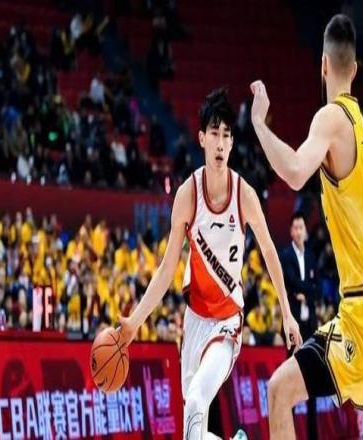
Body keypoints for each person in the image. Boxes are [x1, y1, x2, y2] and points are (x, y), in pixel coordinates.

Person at [250, 14, 363, 439]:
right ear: (353, 69)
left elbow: (295, 171)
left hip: (361, 312)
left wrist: (260, 125)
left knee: (279, 390)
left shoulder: (331, 118)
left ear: (323, 65)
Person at [120, 88, 302, 440]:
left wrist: (287, 313)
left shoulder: (244, 194)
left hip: (227, 323)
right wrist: (134, 322)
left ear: (232, 143)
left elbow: (269, 252)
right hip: (194, 321)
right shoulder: (188, 194)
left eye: (226, 135)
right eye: (214, 134)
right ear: (202, 138)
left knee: (196, 403)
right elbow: (167, 268)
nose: (220, 143)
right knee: (194, 430)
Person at [279, 211, 319, 439]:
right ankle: (289, 434)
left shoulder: (311, 256)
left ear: (305, 230)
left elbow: (317, 287)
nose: (298, 231)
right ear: (291, 231)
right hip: (293, 326)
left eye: (301, 227)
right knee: (291, 378)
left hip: (310, 325)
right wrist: (306, 289)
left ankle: (313, 435)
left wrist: (305, 292)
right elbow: (291, 281)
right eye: (295, 228)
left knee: (312, 379)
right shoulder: (286, 255)